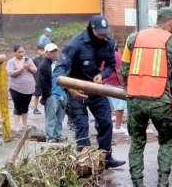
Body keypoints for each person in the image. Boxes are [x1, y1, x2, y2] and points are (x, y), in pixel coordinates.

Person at [120, 8, 172, 187]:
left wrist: (130, 90)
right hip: (161, 101)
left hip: (135, 100)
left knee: (137, 142)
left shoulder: (133, 38)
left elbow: (124, 69)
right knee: (166, 141)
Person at [53, 15, 125, 169]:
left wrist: (102, 75)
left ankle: (106, 157)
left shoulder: (107, 43)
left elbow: (111, 65)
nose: (103, 35)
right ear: (91, 29)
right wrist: (69, 88)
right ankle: (84, 161)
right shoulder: (75, 44)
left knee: (106, 122)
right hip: (76, 89)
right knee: (81, 125)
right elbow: (59, 70)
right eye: (100, 32)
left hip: (95, 87)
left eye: (105, 32)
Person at [38, 43, 68, 143]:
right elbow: (42, 82)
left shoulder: (60, 64)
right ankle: (50, 136)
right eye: (52, 51)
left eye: (56, 51)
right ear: (46, 53)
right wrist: (48, 94)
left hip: (62, 94)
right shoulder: (44, 66)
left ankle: (57, 135)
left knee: (60, 117)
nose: (54, 53)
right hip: (52, 95)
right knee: (51, 117)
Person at [6, 45, 38, 132]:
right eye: (19, 52)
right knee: (18, 107)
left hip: (28, 87)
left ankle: (24, 125)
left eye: (22, 52)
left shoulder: (28, 59)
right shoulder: (11, 62)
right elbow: (11, 73)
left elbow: (35, 70)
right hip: (16, 88)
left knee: (25, 107)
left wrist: (29, 68)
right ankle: (16, 126)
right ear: (14, 52)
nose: (21, 54)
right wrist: (22, 68)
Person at [102, 44, 128, 135]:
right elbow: (119, 71)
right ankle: (117, 126)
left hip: (105, 82)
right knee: (120, 106)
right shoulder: (115, 55)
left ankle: (107, 126)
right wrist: (124, 84)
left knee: (107, 107)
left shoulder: (103, 54)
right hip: (115, 84)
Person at [31, 44, 46, 115]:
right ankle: (35, 108)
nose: (43, 52)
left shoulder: (45, 59)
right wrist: (33, 80)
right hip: (37, 79)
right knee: (37, 94)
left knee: (45, 93)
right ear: (37, 51)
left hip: (44, 79)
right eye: (41, 50)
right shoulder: (34, 59)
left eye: (44, 50)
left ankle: (46, 107)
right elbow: (32, 71)